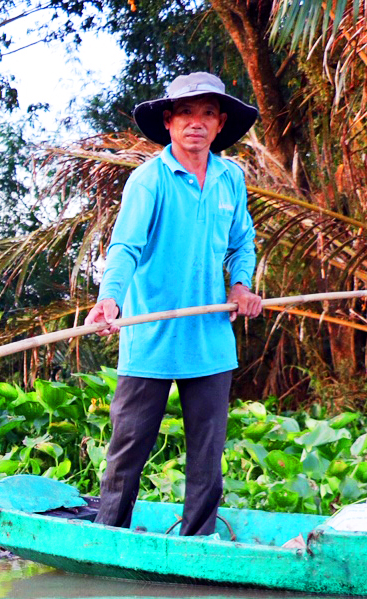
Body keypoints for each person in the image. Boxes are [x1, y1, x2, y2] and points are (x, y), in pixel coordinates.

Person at [85, 71, 263, 537]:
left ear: (220, 123)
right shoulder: (150, 180)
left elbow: (242, 243)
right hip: (151, 336)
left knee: (207, 453)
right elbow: (125, 247)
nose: (196, 123)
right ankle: (108, 538)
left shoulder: (230, 179)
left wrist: (241, 286)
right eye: (186, 112)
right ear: (169, 121)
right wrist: (109, 300)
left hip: (209, 338)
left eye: (207, 113)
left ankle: (198, 541)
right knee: (129, 449)